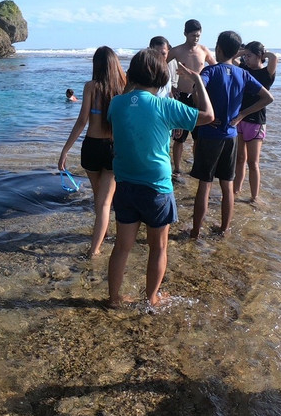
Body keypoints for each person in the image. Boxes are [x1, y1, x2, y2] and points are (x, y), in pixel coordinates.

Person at [106, 49, 213, 308]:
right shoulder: (165, 105)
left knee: (122, 246)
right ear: (162, 77)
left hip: (125, 184)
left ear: (132, 74)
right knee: (158, 247)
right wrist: (198, 79)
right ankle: (151, 298)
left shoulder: (116, 104)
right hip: (156, 187)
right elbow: (209, 116)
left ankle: (113, 299)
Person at [190, 31, 273, 238]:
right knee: (227, 185)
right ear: (237, 52)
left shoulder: (211, 71)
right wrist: (242, 114)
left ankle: (195, 231)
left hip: (210, 134)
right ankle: (224, 229)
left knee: (204, 184)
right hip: (230, 135)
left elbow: (196, 93)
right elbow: (267, 98)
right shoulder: (242, 73)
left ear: (218, 49)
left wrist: (206, 113)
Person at [58, 46, 128, 257]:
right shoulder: (123, 87)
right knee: (106, 202)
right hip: (113, 148)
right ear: (115, 64)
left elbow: (82, 121)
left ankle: (100, 239)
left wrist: (65, 150)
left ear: (96, 65)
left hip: (91, 147)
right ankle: (95, 248)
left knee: (99, 198)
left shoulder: (90, 87)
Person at [166, 20, 216, 176]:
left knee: (198, 136)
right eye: (193, 35)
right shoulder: (176, 51)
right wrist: (169, 87)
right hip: (181, 96)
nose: (196, 38)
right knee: (179, 136)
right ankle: (177, 169)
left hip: (198, 97)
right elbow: (160, 66)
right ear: (185, 34)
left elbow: (215, 69)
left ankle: (196, 166)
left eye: (198, 35)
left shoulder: (204, 50)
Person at [233, 41, 278, 204]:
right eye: (245, 56)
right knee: (239, 159)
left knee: (253, 162)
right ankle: (236, 191)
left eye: (249, 56)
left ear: (259, 56)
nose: (246, 59)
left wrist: (262, 54)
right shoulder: (244, 69)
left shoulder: (266, 73)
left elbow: (274, 57)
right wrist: (244, 52)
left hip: (256, 121)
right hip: (240, 120)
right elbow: (231, 59)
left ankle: (254, 197)